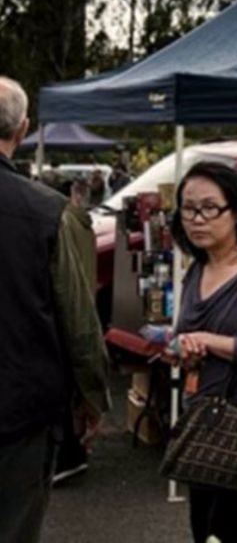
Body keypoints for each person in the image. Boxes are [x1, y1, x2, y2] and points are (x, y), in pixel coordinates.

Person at [0, 77, 111, 542]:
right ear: (24, 129)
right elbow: (79, 322)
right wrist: (91, 397)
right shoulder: (49, 212)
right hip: (20, 415)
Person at [167, 162, 237, 543]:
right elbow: (181, 338)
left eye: (210, 208)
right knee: (203, 529)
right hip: (204, 427)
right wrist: (186, 352)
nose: (197, 219)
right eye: (188, 208)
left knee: (236, 530)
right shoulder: (195, 269)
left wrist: (209, 341)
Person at [52, 177, 99, 485]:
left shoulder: (61, 223)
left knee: (64, 390)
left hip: (66, 310)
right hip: (83, 304)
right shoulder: (84, 224)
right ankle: (74, 450)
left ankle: (68, 454)